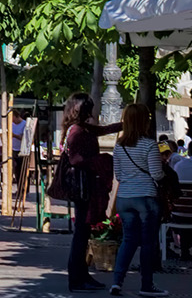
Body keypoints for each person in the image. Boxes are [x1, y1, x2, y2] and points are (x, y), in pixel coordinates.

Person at [61, 91, 122, 292]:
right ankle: (76, 279)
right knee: (81, 232)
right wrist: (99, 161)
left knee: (83, 232)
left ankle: (82, 275)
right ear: (84, 109)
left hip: (85, 185)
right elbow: (75, 159)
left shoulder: (82, 128)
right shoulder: (77, 131)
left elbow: (103, 130)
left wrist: (125, 124)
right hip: (82, 186)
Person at [111, 103, 168, 297]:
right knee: (147, 243)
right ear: (144, 121)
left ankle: (117, 282)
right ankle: (146, 285)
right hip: (145, 198)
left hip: (124, 198)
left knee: (128, 240)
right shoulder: (149, 144)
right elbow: (156, 174)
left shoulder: (119, 146)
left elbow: (118, 175)